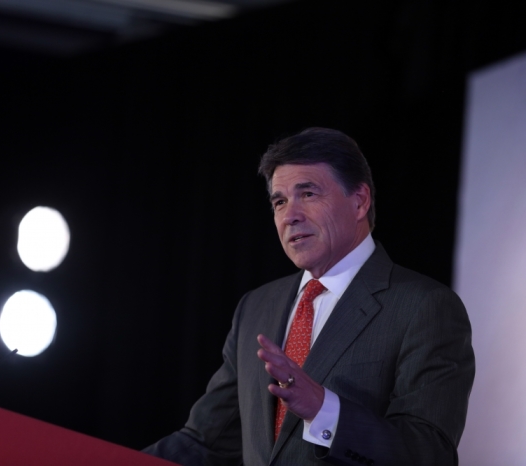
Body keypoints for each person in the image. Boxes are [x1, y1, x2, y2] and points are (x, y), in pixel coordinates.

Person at [143, 127, 475, 465]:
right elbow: (206, 441)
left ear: (359, 201)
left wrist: (323, 410)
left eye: (309, 194)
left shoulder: (424, 306)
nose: (290, 216)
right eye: (280, 201)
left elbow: (429, 453)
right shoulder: (256, 307)